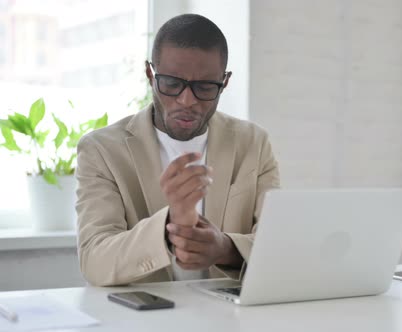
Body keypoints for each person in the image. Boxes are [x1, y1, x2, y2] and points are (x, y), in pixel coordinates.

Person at [76, 14, 280, 286]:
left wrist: (225, 249)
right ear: (151, 75)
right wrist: (171, 223)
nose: (187, 100)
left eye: (205, 87)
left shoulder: (253, 143)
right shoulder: (101, 151)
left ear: (224, 82)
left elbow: (278, 248)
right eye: (172, 84)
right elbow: (95, 261)